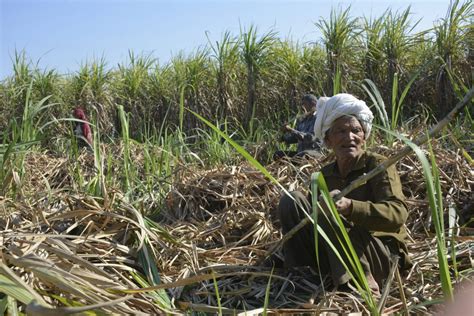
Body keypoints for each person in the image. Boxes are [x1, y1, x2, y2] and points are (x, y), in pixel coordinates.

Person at [277, 93, 410, 295]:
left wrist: (350, 207)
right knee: (292, 200)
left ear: (364, 137)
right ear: (328, 140)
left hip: (377, 252)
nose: (350, 137)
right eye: (341, 131)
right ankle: (303, 274)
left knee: (332, 210)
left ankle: (359, 282)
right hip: (337, 251)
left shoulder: (377, 166)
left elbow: (397, 214)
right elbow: (313, 221)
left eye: (356, 130)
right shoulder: (324, 175)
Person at [273, 94, 326, 160]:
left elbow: (310, 137)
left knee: (304, 154)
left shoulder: (317, 119)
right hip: (300, 153)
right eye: (301, 105)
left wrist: (291, 130)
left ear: (313, 104)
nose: (302, 107)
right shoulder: (302, 121)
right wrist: (283, 138)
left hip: (314, 153)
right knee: (278, 154)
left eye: (304, 104)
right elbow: (295, 138)